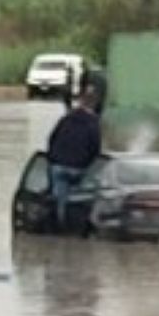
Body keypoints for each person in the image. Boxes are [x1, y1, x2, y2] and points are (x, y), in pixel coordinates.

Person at [47, 94, 102, 230]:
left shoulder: (66, 119)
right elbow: (95, 147)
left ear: (80, 104)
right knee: (82, 197)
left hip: (59, 165)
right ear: (93, 107)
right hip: (79, 167)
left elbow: (52, 139)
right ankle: (78, 225)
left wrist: (53, 158)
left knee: (59, 198)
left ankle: (60, 225)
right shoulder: (93, 123)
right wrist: (88, 164)